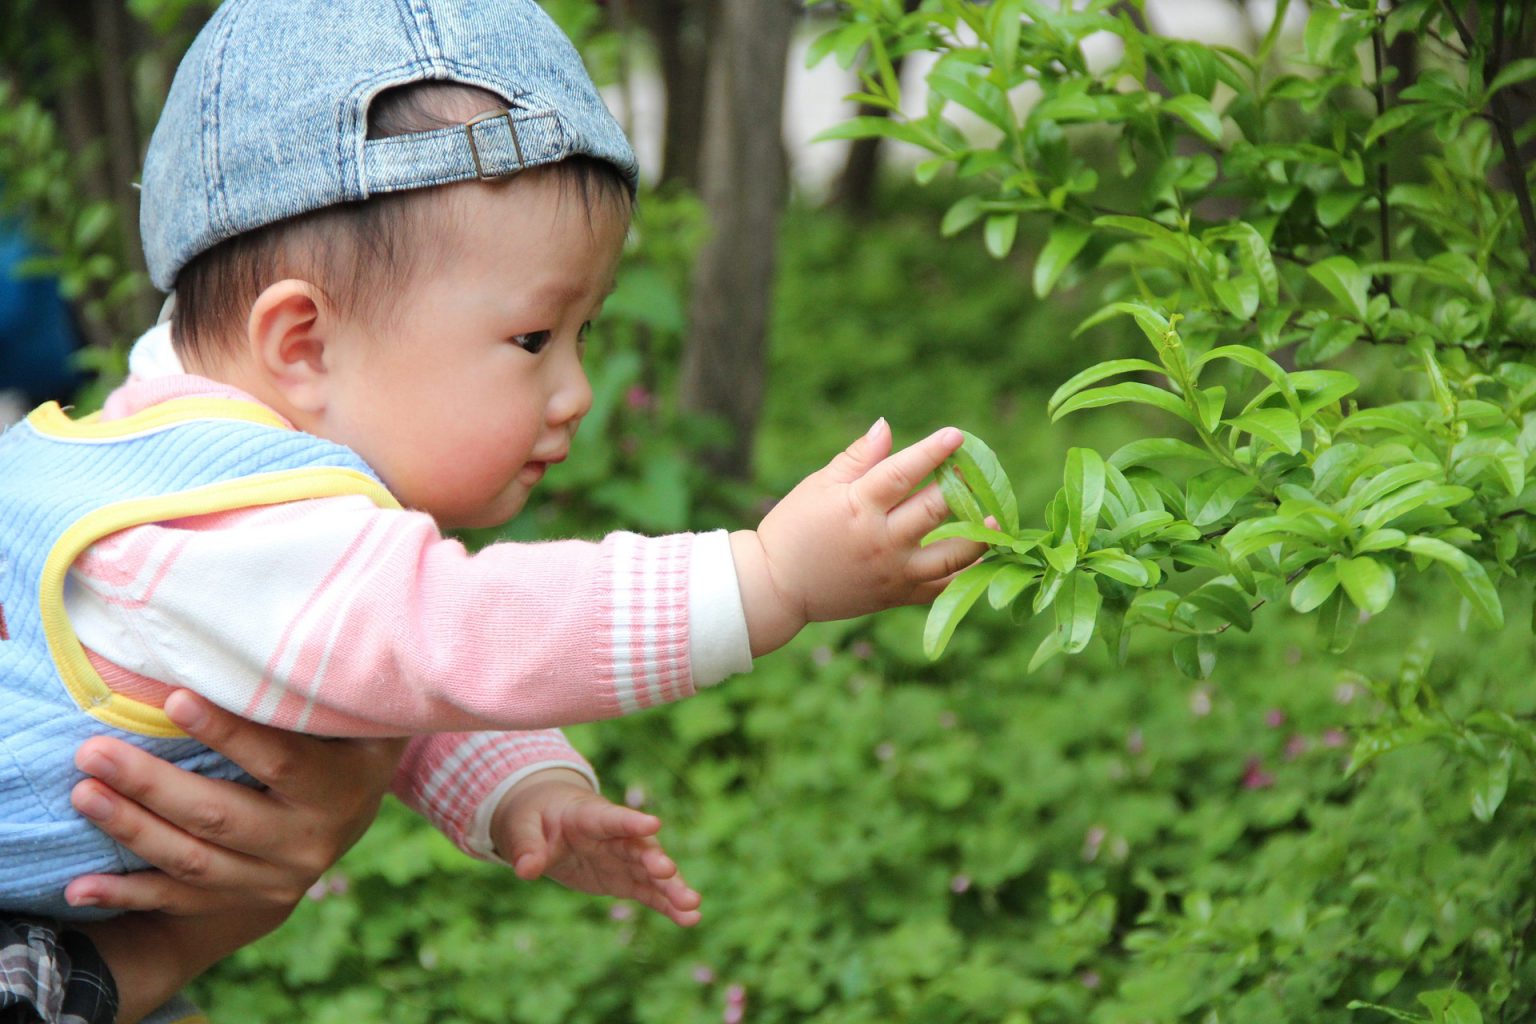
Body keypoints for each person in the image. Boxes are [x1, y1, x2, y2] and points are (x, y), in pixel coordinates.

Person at [0, 0, 983, 1018]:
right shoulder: (212, 537)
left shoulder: (163, 460)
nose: (577, 394)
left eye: (583, 335)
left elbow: (365, 668)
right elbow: (445, 633)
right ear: (302, 344)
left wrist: (521, 788)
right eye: (532, 340)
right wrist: (767, 577)